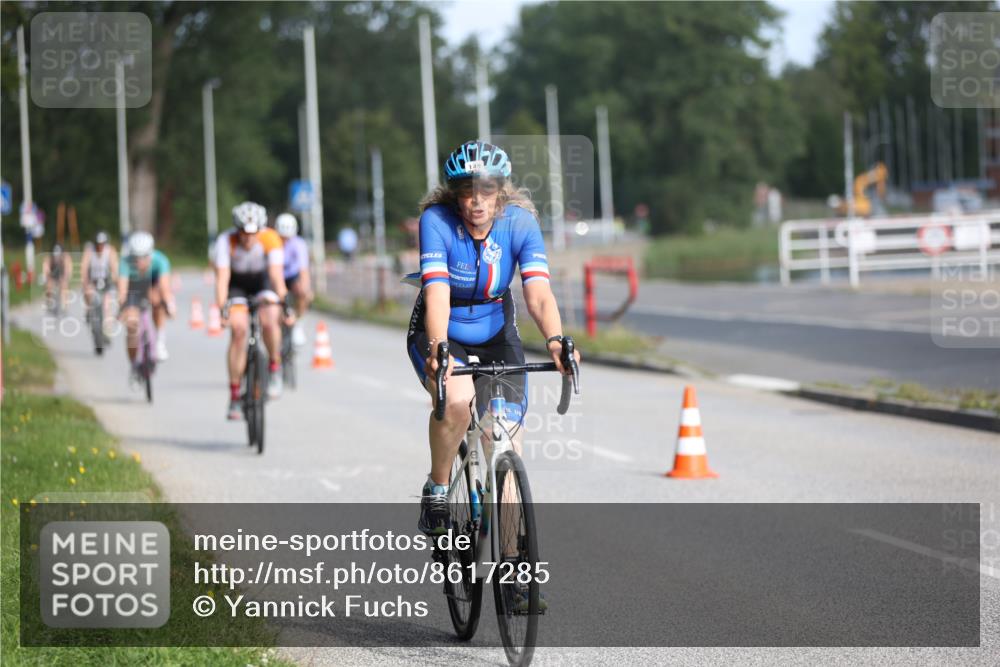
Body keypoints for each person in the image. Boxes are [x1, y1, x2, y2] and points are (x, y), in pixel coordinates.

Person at [406, 140, 581, 537]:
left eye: (486, 190)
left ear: (501, 190)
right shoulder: (436, 220)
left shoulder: (520, 222)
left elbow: (537, 293)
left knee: (503, 439)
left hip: (497, 334)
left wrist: (555, 340)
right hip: (442, 331)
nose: (476, 201)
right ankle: (436, 488)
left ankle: (515, 568)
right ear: (454, 194)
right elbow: (436, 294)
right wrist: (438, 350)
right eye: (467, 191)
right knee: (456, 404)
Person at [214, 201, 294, 420]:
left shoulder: (271, 239)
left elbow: (277, 277)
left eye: (253, 233)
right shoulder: (225, 241)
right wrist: (222, 310)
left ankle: (275, 366)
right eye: (243, 233)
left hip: (263, 281)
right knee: (238, 331)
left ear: (260, 229)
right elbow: (222, 280)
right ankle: (234, 395)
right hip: (237, 284)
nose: (248, 239)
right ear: (237, 230)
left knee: (269, 319)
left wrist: (285, 303)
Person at [117, 231, 175, 376]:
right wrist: (122, 309)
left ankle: (160, 341)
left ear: (150, 253)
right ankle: (133, 364)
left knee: (158, 300)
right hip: (133, 290)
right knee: (131, 325)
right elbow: (122, 291)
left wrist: (169, 305)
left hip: (152, 286)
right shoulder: (125, 262)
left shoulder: (161, 261)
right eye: (136, 257)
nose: (139, 261)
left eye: (143, 257)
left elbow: (165, 287)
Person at [274, 212, 312, 347]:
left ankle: (298, 324)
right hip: (275, 276)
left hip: (291, 276)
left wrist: (305, 289)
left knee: (303, 293)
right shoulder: (273, 241)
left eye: (287, 238)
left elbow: (303, 270)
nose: (285, 241)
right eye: (282, 237)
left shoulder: (299, 244)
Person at [81, 230, 119, 330]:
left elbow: (114, 267)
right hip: (92, 281)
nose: (100, 247)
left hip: (106, 281)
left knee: (107, 304)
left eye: (102, 244)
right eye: (98, 244)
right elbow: (84, 268)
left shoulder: (110, 251)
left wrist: (116, 280)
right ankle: (89, 311)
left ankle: (107, 329)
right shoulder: (89, 251)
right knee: (88, 293)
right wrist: (85, 283)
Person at [42, 243, 73, 315]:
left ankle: (64, 306)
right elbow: (46, 270)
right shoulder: (49, 258)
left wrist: (65, 278)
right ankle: (49, 302)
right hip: (52, 276)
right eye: (55, 255)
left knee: (64, 286)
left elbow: (68, 271)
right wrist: (47, 277)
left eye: (58, 255)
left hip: (62, 276)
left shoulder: (66, 258)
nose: (57, 258)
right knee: (48, 286)